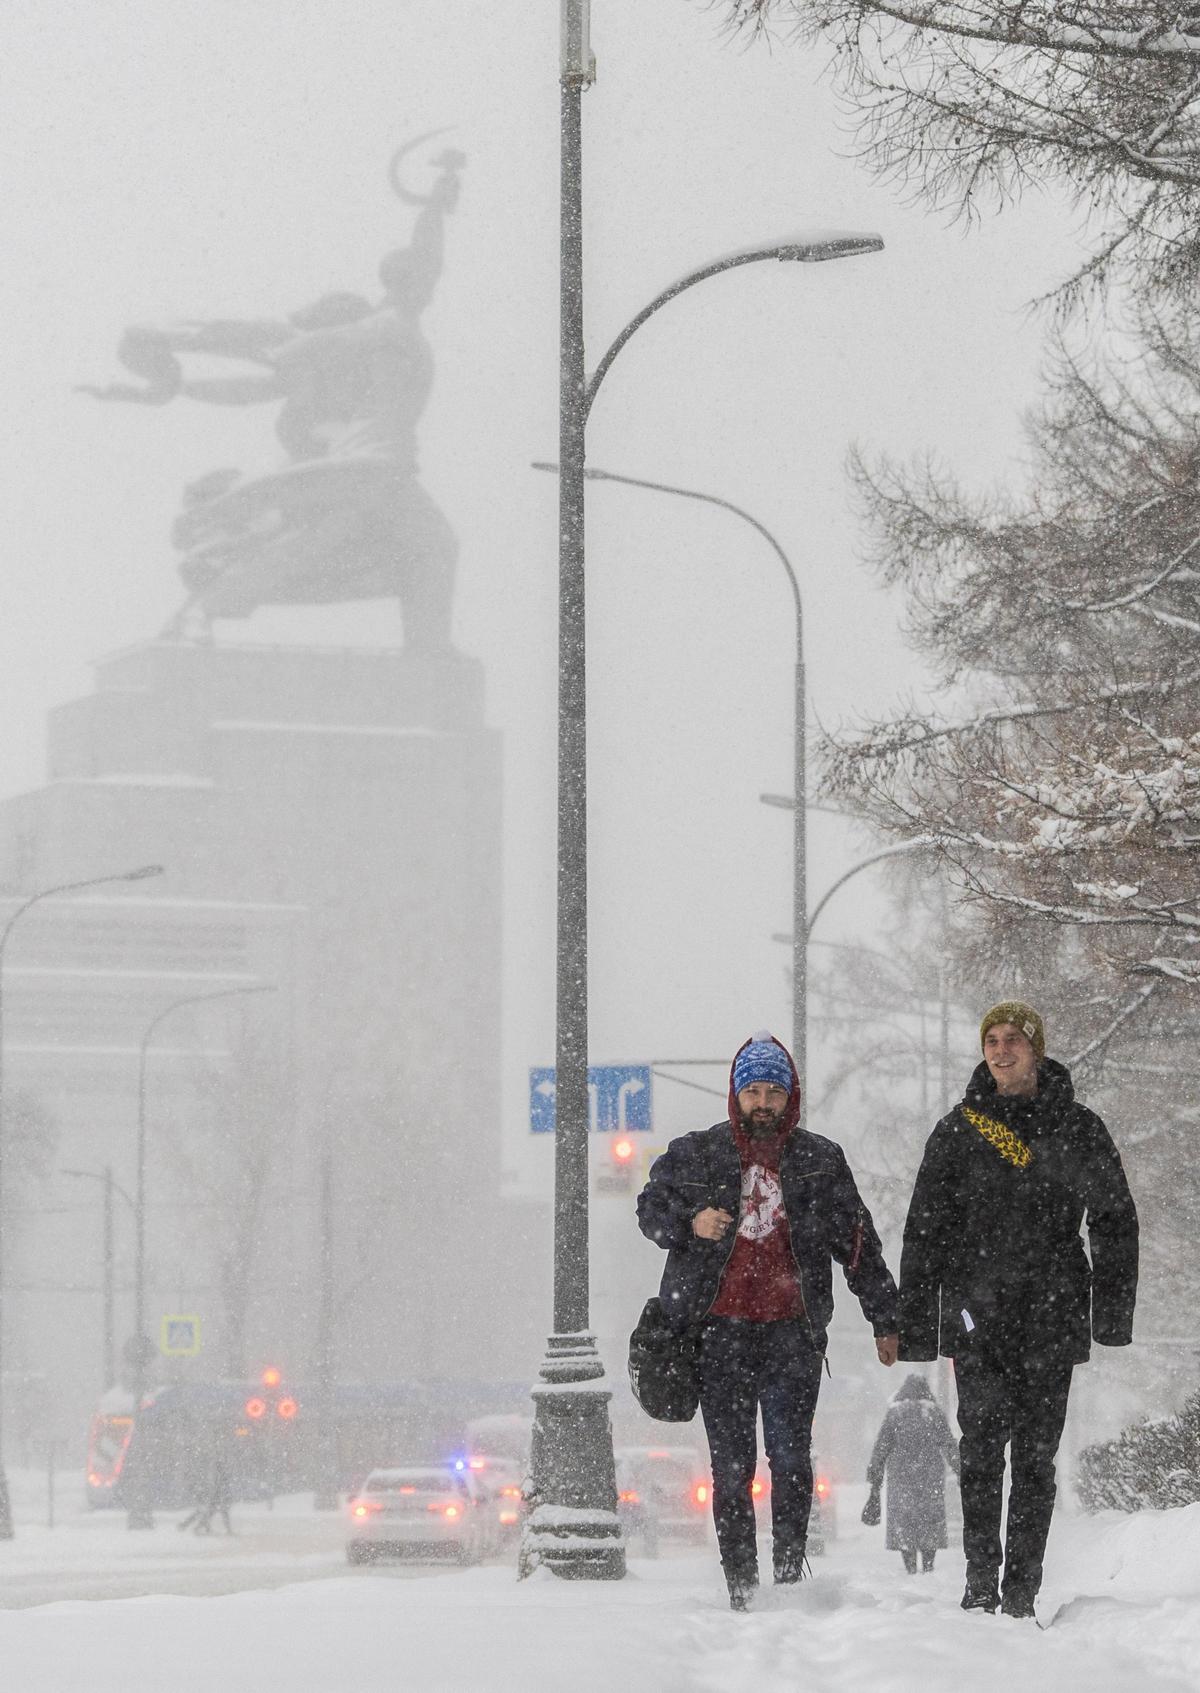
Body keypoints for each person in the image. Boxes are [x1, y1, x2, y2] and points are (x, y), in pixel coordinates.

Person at [637, 1030, 899, 1611]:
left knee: (790, 1457)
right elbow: (649, 1209)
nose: (762, 1102)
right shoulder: (697, 1154)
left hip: (792, 1335)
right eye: (752, 1090)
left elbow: (858, 1246)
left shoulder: (818, 1161)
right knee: (731, 1468)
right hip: (718, 1336)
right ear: (735, 1094)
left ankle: (788, 1573)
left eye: (772, 1092)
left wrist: (885, 1317)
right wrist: (689, 1220)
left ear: (790, 1097)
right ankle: (740, 1585)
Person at [898, 1001, 1138, 1620]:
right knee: (980, 1450)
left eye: (1013, 1041)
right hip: (978, 1316)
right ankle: (980, 1585)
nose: (1002, 1051)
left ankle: (1020, 1594)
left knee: (1034, 1458)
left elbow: (1114, 1220)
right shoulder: (957, 1132)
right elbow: (924, 1231)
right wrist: (919, 1328)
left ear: (1037, 1048)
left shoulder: (1079, 1128)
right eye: (992, 1041)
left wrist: (1110, 1316)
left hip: (1053, 1316)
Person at [865, 1374, 959, 1573]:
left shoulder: (895, 1413)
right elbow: (948, 1444)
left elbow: (881, 1448)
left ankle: (910, 1567)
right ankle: (928, 1565)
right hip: (930, 1477)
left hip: (902, 1478)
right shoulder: (933, 1412)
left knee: (905, 1523)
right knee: (929, 1522)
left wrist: (875, 1477)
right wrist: (961, 1470)